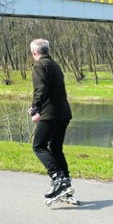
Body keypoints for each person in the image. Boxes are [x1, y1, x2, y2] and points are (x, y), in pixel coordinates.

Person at [28, 38, 74, 201]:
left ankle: (58, 178)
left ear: (34, 52)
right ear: (47, 50)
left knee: (39, 146)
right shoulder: (54, 64)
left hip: (51, 114)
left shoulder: (39, 65)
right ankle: (66, 186)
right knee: (55, 148)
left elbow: (40, 89)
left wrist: (35, 108)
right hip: (63, 113)